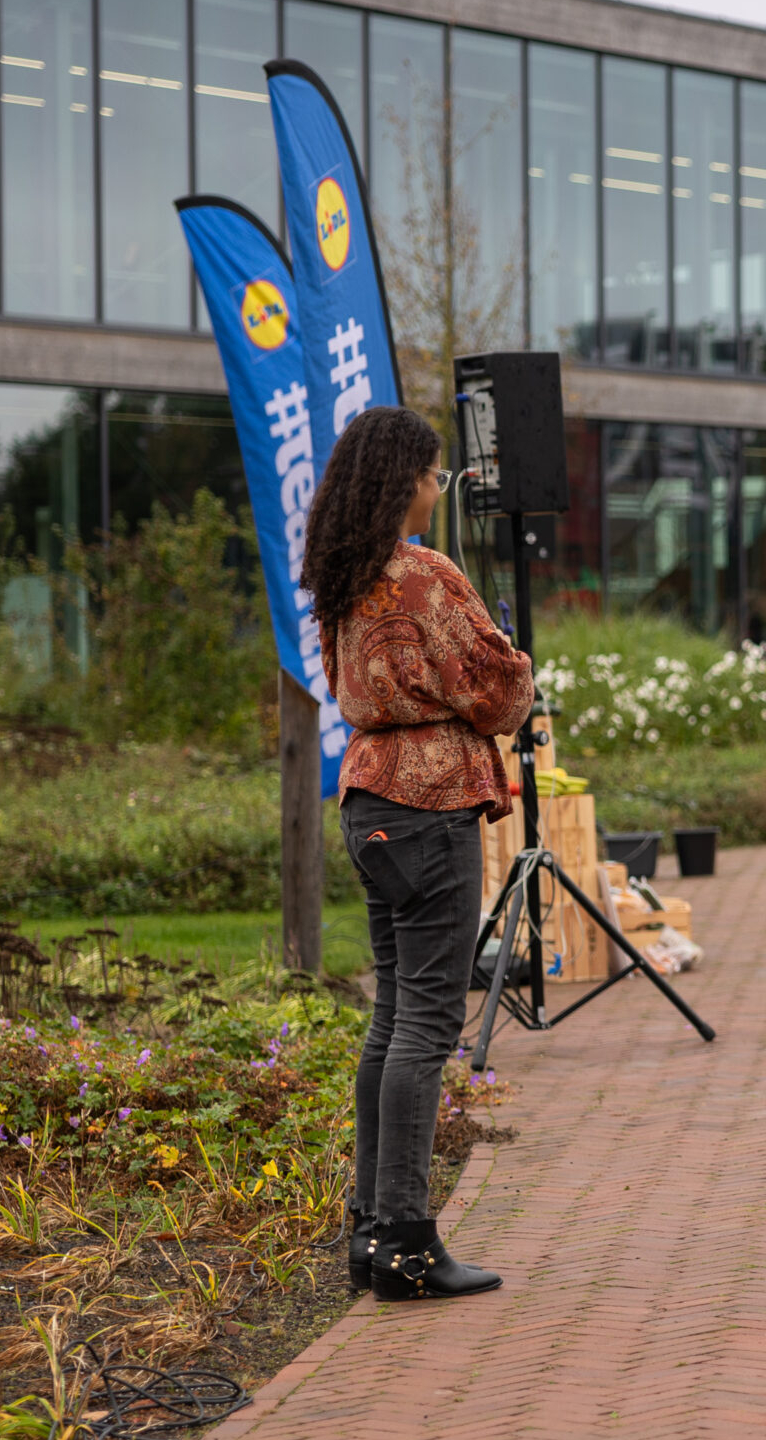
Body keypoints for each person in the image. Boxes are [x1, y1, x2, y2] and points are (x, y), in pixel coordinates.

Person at [309, 407, 534, 1302]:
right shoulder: (425, 574)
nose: (439, 489)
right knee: (428, 1027)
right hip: (431, 805)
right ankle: (406, 1238)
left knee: (391, 1015)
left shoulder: (344, 573)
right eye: (434, 475)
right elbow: (498, 685)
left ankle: (371, 1229)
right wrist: (516, 672)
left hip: (369, 803)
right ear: (404, 480)